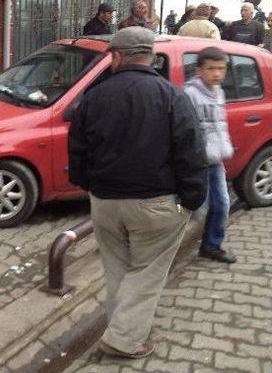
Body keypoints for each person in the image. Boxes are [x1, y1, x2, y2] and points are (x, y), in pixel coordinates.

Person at [68, 27, 207, 359]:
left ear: (116, 57)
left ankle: (122, 329)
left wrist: (89, 186)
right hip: (156, 206)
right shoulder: (173, 96)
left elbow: (77, 149)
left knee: (118, 269)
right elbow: (190, 152)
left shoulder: (93, 96)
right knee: (146, 274)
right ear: (151, 56)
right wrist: (192, 199)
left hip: (105, 203)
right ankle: (124, 340)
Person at [184, 48, 237, 264]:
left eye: (221, 69)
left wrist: (224, 148)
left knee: (222, 204)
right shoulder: (190, 94)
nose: (216, 74)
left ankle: (211, 246)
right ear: (199, 70)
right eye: (211, 69)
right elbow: (185, 129)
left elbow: (220, 125)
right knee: (193, 209)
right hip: (196, 163)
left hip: (215, 161)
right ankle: (164, 248)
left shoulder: (219, 92)